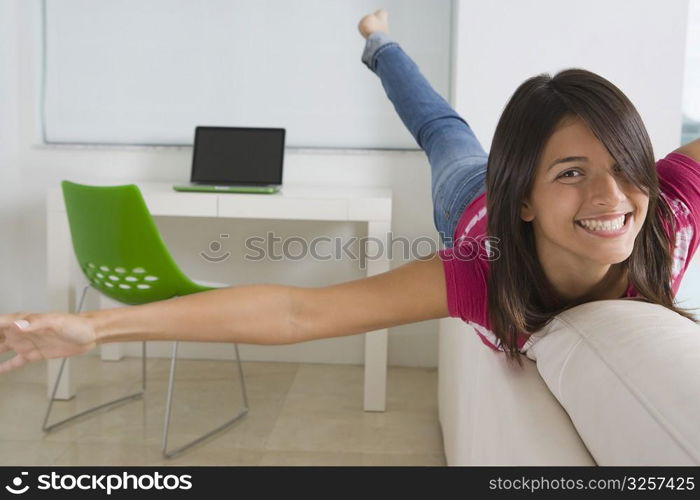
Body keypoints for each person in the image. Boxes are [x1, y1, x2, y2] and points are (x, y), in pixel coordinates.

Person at [1, 10, 700, 373]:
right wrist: (96, 326)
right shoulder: (483, 272)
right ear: (528, 195)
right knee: (441, 126)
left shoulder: (669, 203)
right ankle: (380, 43)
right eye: (573, 171)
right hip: (472, 201)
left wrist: (603, 174)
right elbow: (299, 312)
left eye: (624, 164)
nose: (614, 196)